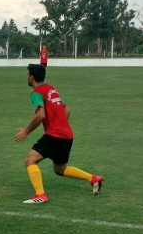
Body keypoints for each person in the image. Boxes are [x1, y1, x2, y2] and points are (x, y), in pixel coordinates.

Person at [14, 64, 104, 203]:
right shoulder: (52, 90)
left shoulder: (36, 93)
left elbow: (41, 115)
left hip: (55, 135)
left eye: (28, 75)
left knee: (30, 161)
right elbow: (67, 111)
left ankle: (40, 195)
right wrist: (59, 125)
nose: (27, 77)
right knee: (60, 169)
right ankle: (93, 179)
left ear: (32, 77)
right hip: (67, 135)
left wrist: (26, 131)